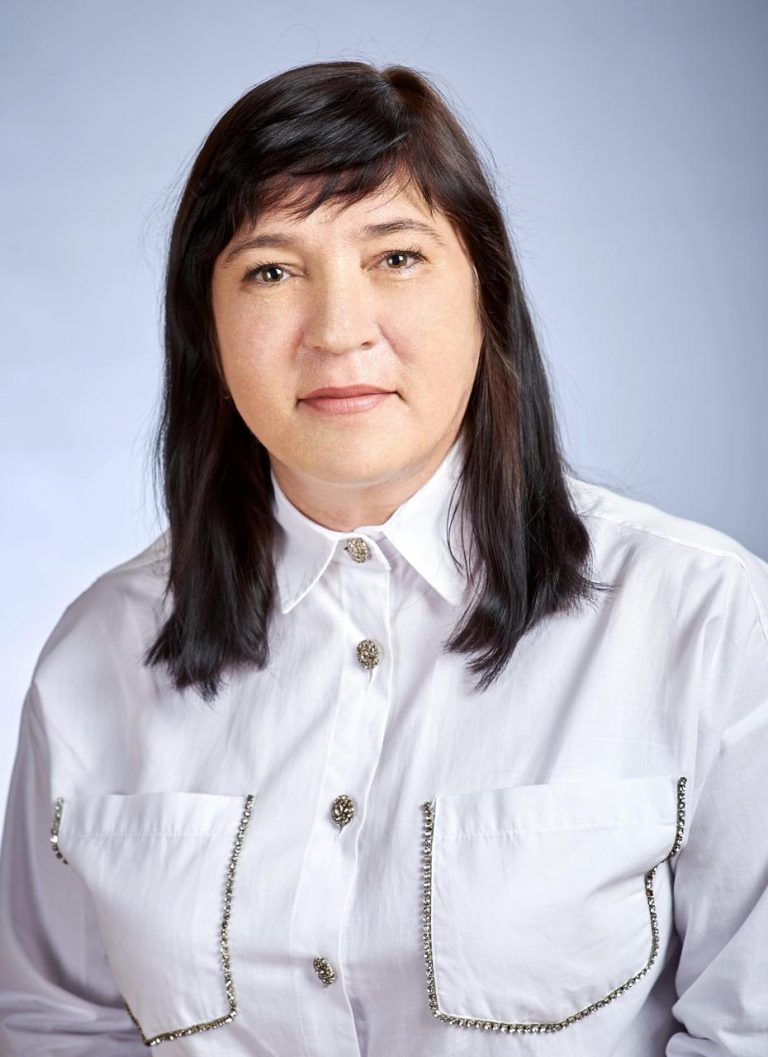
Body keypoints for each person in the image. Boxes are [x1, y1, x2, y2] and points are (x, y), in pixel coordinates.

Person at [0, 59, 766, 1057]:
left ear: (488, 292)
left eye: (396, 256)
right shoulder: (99, 653)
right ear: (205, 328)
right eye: (271, 271)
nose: (338, 331)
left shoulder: (710, 620)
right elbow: (53, 1025)